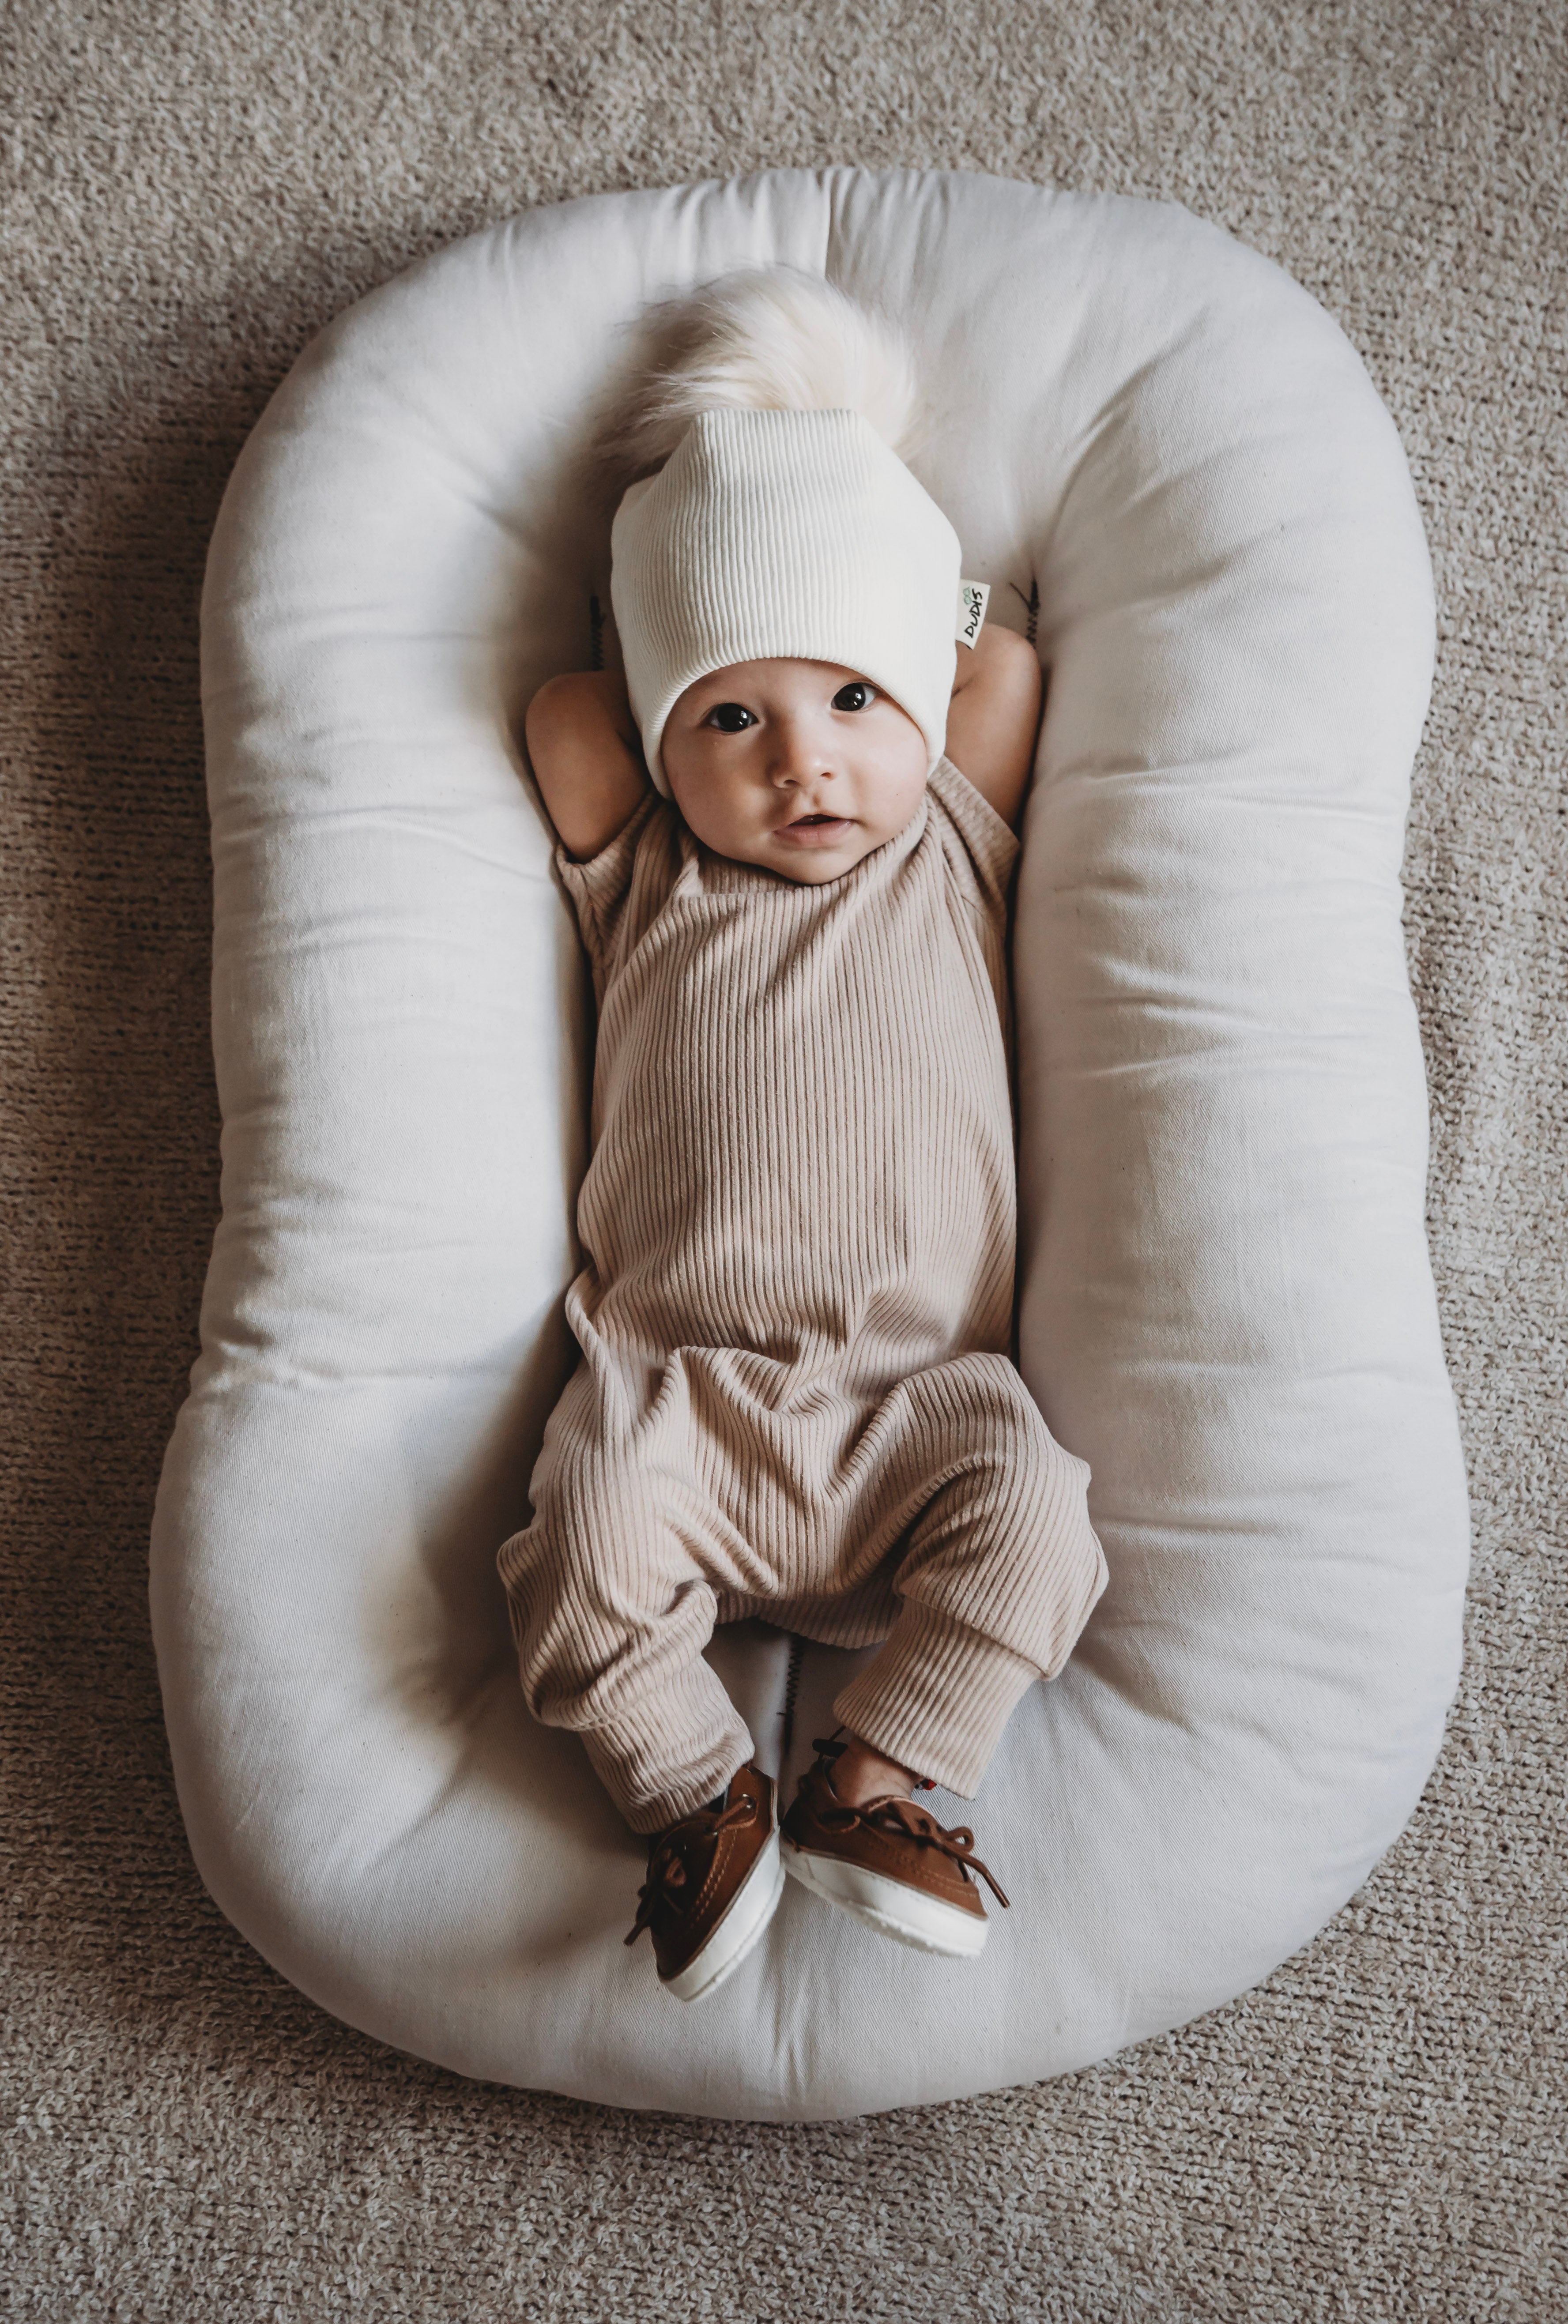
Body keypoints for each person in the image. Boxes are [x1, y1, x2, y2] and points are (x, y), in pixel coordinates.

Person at [498, 267, 1106, 2003]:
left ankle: (876, 1782)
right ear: (662, 738)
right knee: (578, 1543)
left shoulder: (952, 843)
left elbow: (1001, 663)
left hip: (928, 1400)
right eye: (735, 722)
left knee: (1044, 1523)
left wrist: (865, 585)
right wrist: (663, 646)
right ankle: (701, 1795)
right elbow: (562, 716)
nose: (805, 769)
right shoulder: (648, 868)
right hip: (681, 1396)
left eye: (853, 704)